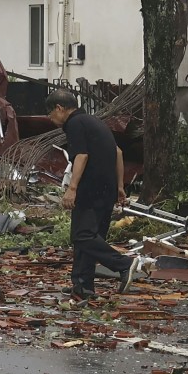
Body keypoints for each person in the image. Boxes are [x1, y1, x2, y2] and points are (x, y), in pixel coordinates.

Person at [47, 89, 138, 297]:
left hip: (91, 187)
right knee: (89, 238)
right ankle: (82, 285)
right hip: (107, 189)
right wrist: (120, 186)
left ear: (59, 108)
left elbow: (82, 155)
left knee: (82, 235)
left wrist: (72, 189)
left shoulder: (75, 124)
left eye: (51, 114)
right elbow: (118, 153)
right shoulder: (94, 121)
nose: (51, 119)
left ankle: (125, 264)